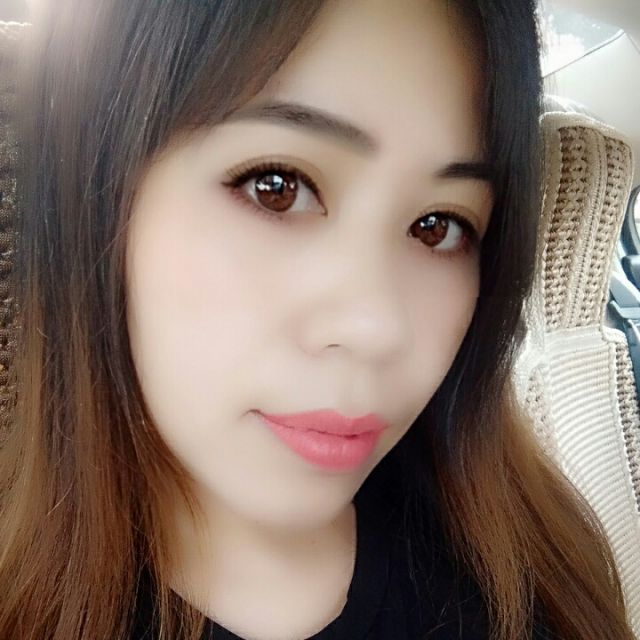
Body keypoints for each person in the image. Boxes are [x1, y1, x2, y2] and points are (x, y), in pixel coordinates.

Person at [0, 1, 634, 638]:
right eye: (276, 186)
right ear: (100, 197)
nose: (377, 328)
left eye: (437, 226)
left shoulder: (535, 575)